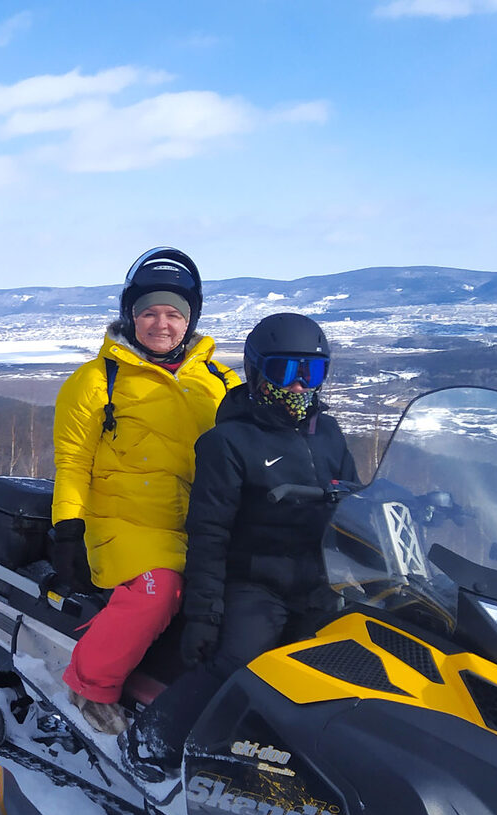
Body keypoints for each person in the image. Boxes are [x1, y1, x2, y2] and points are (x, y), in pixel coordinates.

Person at [126, 312, 357, 778]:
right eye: (284, 372)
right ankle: (152, 740)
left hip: (320, 579)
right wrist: (204, 615)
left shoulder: (328, 433)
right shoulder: (227, 442)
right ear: (256, 372)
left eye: (310, 373)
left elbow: (355, 498)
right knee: (238, 661)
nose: (297, 387)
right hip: (255, 581)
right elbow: (209, 533)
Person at [50, 248, 238, 735]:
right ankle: (89, 684)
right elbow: (72, 462)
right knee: (161, 590)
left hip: (200, 523)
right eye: (148, 312)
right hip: (124, 523)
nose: (161, 324)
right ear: (129, 316)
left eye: (173, 313)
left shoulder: (218, 381)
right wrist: (67, 528)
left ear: (190, 319)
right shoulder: (96, 383)